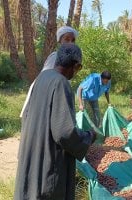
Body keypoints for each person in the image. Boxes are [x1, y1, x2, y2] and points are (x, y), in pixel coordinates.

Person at [14, 44, 96, 200]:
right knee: (46, 190)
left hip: (33, 150)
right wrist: (88, 136)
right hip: (48, 159)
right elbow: (64, 133)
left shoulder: (42, 78)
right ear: (75, 66)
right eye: (78, 68)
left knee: (30, 189)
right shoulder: (61, 83)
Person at [20, 26, 78, 117]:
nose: (70, 43)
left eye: (73, 40)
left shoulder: (71, 59)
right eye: (67, 39)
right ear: (60, 41)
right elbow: (46, 80)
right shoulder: (56, 56)